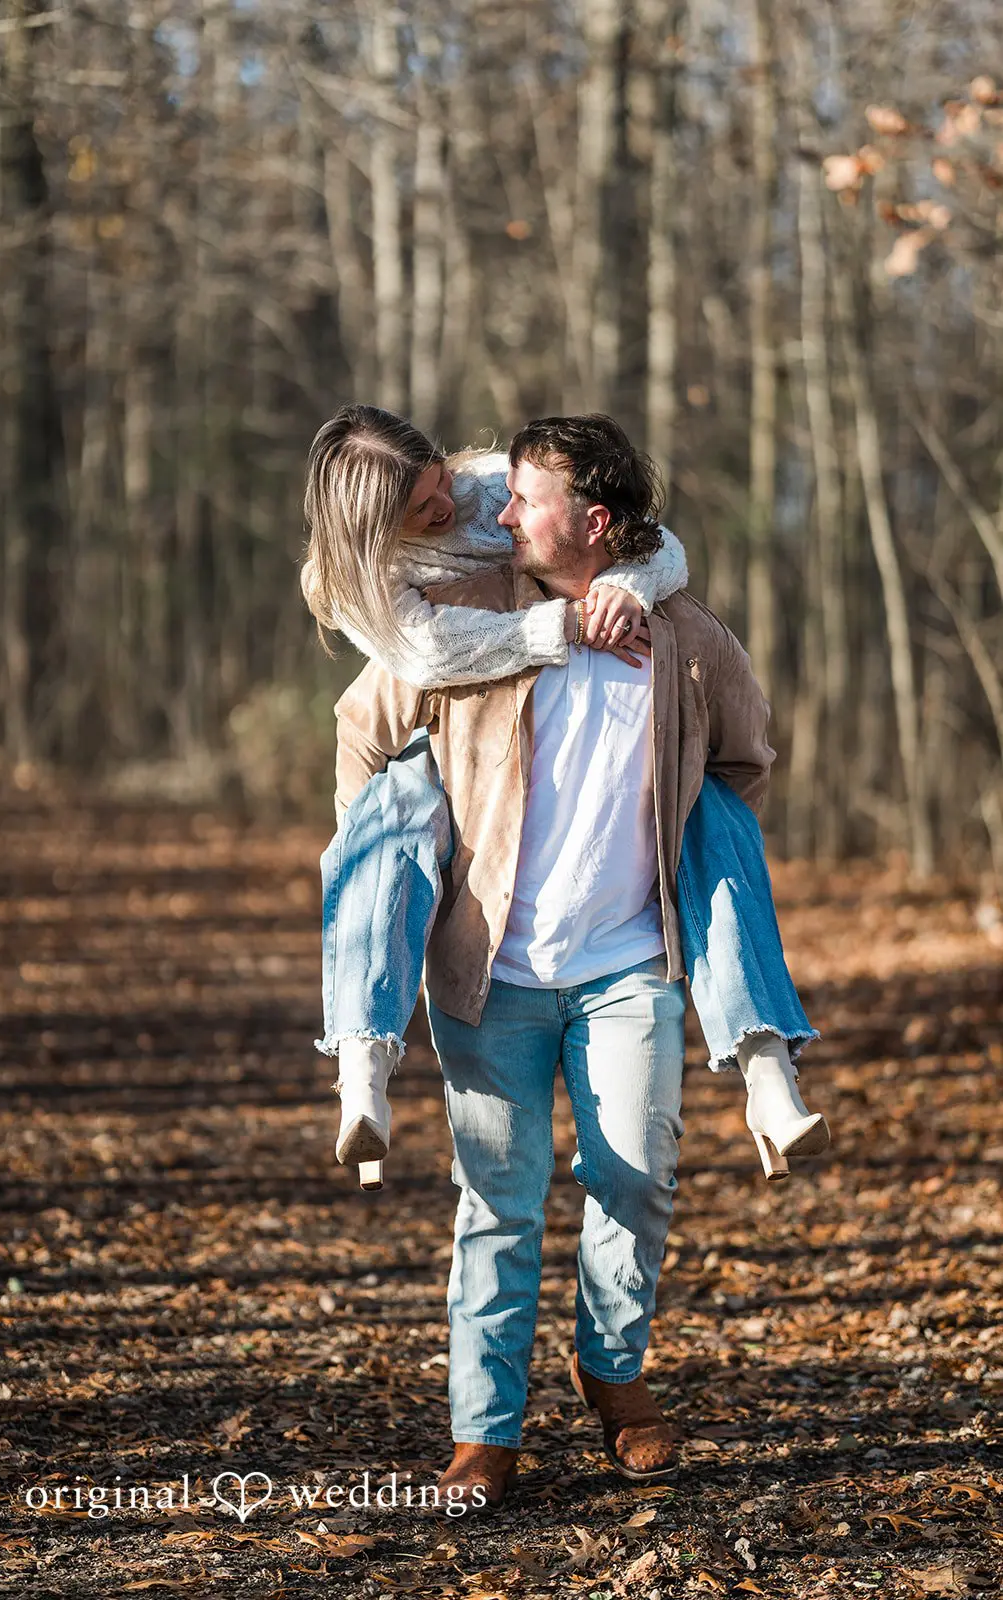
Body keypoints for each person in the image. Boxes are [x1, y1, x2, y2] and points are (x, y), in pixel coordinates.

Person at [324, 412, 797, 1509]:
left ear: (590, 520)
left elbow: (745, 757)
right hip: (490, 968)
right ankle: (481, 1432)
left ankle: (613, 1377)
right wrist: (390, 858)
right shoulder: (463, 619)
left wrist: (681, 858)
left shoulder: (680, 636)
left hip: (628, 961)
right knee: (498, 1198)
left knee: (633, 1176)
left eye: (522, 499)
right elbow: (362, 725)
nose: (498, 512)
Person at [302, 406, 827, 1191]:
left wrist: (624, 585)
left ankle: (765, 1061)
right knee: (391, 810)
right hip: (479, 894)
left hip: (622, 959)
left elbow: (652, 543)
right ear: (378, 529)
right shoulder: (369, 586)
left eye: (442, 481)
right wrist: (397, 867)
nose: (463, 508)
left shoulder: (666, 623)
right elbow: (396, 691)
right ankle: (361, 1056)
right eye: (423, 509)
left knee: (711, 813)